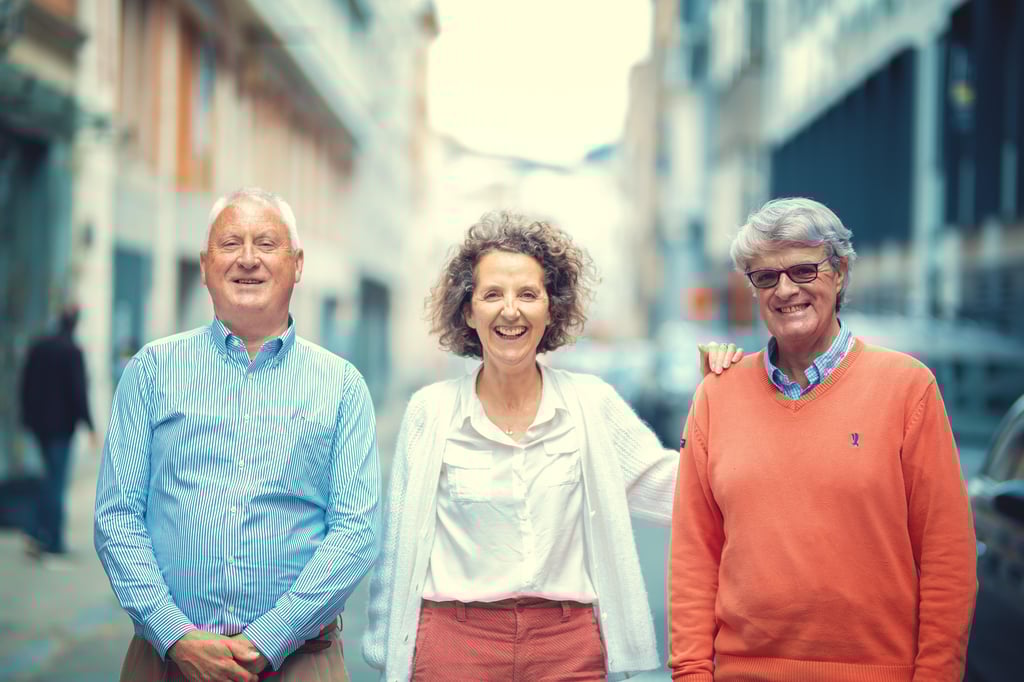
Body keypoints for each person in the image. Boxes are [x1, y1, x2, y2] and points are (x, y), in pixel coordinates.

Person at [362, 210, 743, 681]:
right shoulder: (430, 410)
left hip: (567, 649)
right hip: (455, 648)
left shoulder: (591, 403)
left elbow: (682, 489)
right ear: (467, 310)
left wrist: (729, 397)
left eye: (528, 294)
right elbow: (397, 543)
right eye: (492, 295)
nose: (510, 310)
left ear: (551, 308)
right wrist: (387, 649)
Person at [668, 197, 977, 681]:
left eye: (804, 270)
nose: (784, 289)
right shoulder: (717, 394)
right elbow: (693, 557)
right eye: (765, 276)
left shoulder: (907, 387)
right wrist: (691, 674)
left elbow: (947, 558)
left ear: (840, 272)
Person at [95, 187, 380, 682]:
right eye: (230, 244)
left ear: (297, 264)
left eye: (266, 244)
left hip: (300, 662)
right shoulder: (152, 371)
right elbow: (117, 519)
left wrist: (265, 640)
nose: (248, 259)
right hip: (166, 663)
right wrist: (177, 637)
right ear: (205, 266)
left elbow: (355, 534)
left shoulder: (342, 386)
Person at [19, 304, 100, 558]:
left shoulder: (39, 347)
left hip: (40, 426)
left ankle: (38, 531)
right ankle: (52, 539)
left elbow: (26, 384)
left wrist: (28, 418)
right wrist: (90, 426)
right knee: (56, 481)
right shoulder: (72, 351)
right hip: (61, 428)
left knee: (48, 478)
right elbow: (78, 393)